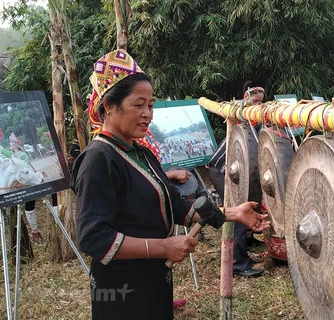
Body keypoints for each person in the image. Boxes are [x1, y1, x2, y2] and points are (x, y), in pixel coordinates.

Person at [71, 49, 270, 320]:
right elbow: (93, 238)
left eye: (150, 105)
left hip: (154, 276)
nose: (148, 114)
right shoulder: (98, 159)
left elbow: (174, 205)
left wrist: (234, 214)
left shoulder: (142, 154)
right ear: (108, 106)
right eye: (138, 104)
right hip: (121, 287)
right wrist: (164, 247)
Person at [208, 80, 266, 278]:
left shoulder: (257, 123)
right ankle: (237, 264)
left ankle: (246, 247)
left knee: (249, 204)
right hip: (221, 171)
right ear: (246, 100)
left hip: (233, 171)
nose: (259, 106)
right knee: (238, 215)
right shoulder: (242, 119)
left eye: (261, 102)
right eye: (256, 101)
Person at [0, 133, 57, 241]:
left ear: (17, 145)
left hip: (27, 183)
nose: (10, 144)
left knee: (31, 202)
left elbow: (24, 170)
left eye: (12, 143)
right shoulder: (11, 155)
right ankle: (34, 231)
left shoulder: (22, 156)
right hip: (15, 185)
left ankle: (45, 226)